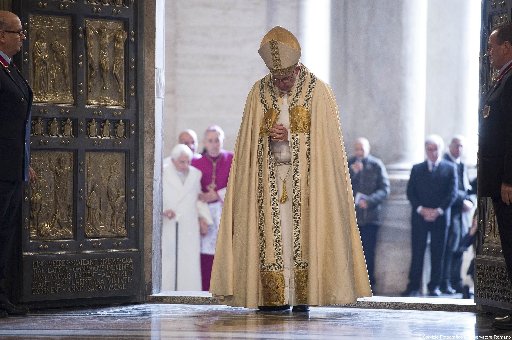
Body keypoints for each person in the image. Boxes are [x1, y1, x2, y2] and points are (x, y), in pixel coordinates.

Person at [209, 26, 371, 312]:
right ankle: (271, 297)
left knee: (301, 238)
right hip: (268, 186)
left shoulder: (318, 92)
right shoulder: (258, 92)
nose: (282, 83)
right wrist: (265, 138)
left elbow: (326, 149)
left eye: (286, 77)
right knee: (273, 239)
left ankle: (301, 297)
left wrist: (293, 139)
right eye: (277, 78)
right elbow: (248, 145)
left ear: (297, 69)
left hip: (306, 187)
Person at [0, 10, 34, 317]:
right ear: (1, 35)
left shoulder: (10, 69)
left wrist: (24, 161)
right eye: (17, 32)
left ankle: (2, 297)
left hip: (11, 167)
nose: (22, 38)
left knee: (6, 232)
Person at [479, 23, 512, 330]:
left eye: (491, 47)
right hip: (496, 179)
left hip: (506, 183)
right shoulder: (501, 79)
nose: (488, 53)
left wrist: (508, 179)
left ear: (507, 47)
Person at [402, 135, 457, 297]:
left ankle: (435, 286)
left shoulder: (450, 168)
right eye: (429, 149)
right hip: (420, 216)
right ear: (426, 150)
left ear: (441, 149)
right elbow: (410, 193)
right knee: (417, 250)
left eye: (435, 149)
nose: (432, 152)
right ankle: (413, 286)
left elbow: (452, 194)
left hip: (440, 217)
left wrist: (438, 211)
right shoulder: (417, 169)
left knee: (438, 252)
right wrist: (421, 209)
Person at [162, 144, 212, 291]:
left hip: (189, 224)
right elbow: (156, 198)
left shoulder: (195, 174)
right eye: (182, 162)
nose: (185, 165)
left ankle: (189, 293)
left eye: (188, 161)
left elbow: (198, 199)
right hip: (169, 223)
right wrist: (164, 210)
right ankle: (167, 292)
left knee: (188, 261)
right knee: (169, 260)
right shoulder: (163, 173)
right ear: (173, 160)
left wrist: (204, 219)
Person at [191, 125, 233, 291]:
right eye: (210, 140)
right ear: (204, 142)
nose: (214, 144)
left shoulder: (232, 159)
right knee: (205, 254)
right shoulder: (195, 162)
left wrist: (218, 194)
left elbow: (240, 185)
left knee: (225, 252)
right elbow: (192, 190)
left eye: (217, 140)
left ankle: (226, 289)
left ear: (222, 141)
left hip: (225, 212)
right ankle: (205, 289)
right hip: (205, 214)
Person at [348, 137, 390, 291]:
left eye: (362, 149)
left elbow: (385, 189)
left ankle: (369, 283)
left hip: (371, 217)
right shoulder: (350, 164)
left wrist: (370, 201)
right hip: (353, 216)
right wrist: (353, 173)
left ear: (368, 149)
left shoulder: (376, 165)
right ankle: (352, 284)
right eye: (357, 148)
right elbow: (341, 185)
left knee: (369, 252)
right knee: (352, 251)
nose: (359, 152)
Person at [440, 136, 474, 295]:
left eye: (461, 146)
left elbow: (466, 187)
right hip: (451, 211)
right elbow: (449, 190)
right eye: (456, 145)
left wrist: (469, 201)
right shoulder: (446, 163)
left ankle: (456, 280)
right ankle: (445, 281)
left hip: (463, 214)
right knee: (450, 247)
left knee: (460, 246)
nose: (459, 149)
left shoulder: (462, 164)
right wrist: (463, 201)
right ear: (450, 146)